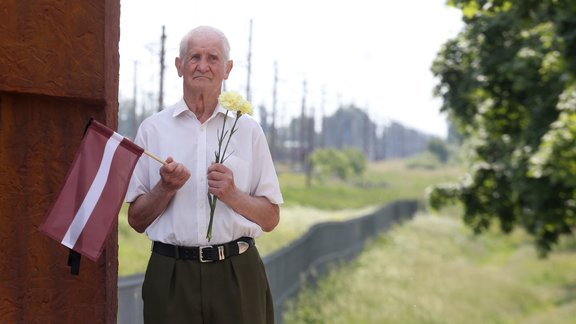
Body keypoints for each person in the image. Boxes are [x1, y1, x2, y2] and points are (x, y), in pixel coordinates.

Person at [125, 25, 283, 324]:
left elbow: (271, 218)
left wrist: (232, 195)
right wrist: (165, 188)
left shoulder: (248, 130)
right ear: (179, 65)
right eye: (194, 56)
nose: (203, 65)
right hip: (170, 273)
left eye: (213, 57)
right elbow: (136, 220)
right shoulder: (152, 129)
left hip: (237, 273)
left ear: (227, 68)